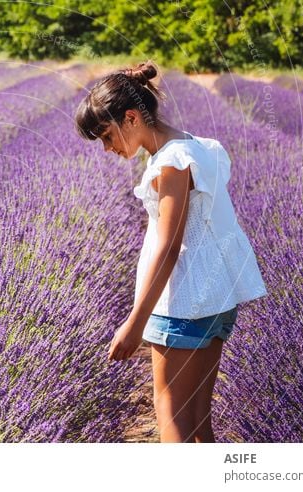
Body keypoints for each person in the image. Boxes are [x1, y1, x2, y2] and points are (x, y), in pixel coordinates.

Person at [73, 61, 268, 443]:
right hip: (216, 297)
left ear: (131, 117)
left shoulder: (171, 163)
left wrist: (135, 322)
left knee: (171, 416)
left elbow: (169, 244)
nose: (107, 148)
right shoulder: (195, 146)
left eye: (107, 135)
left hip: (183, 302)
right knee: (197, 419)